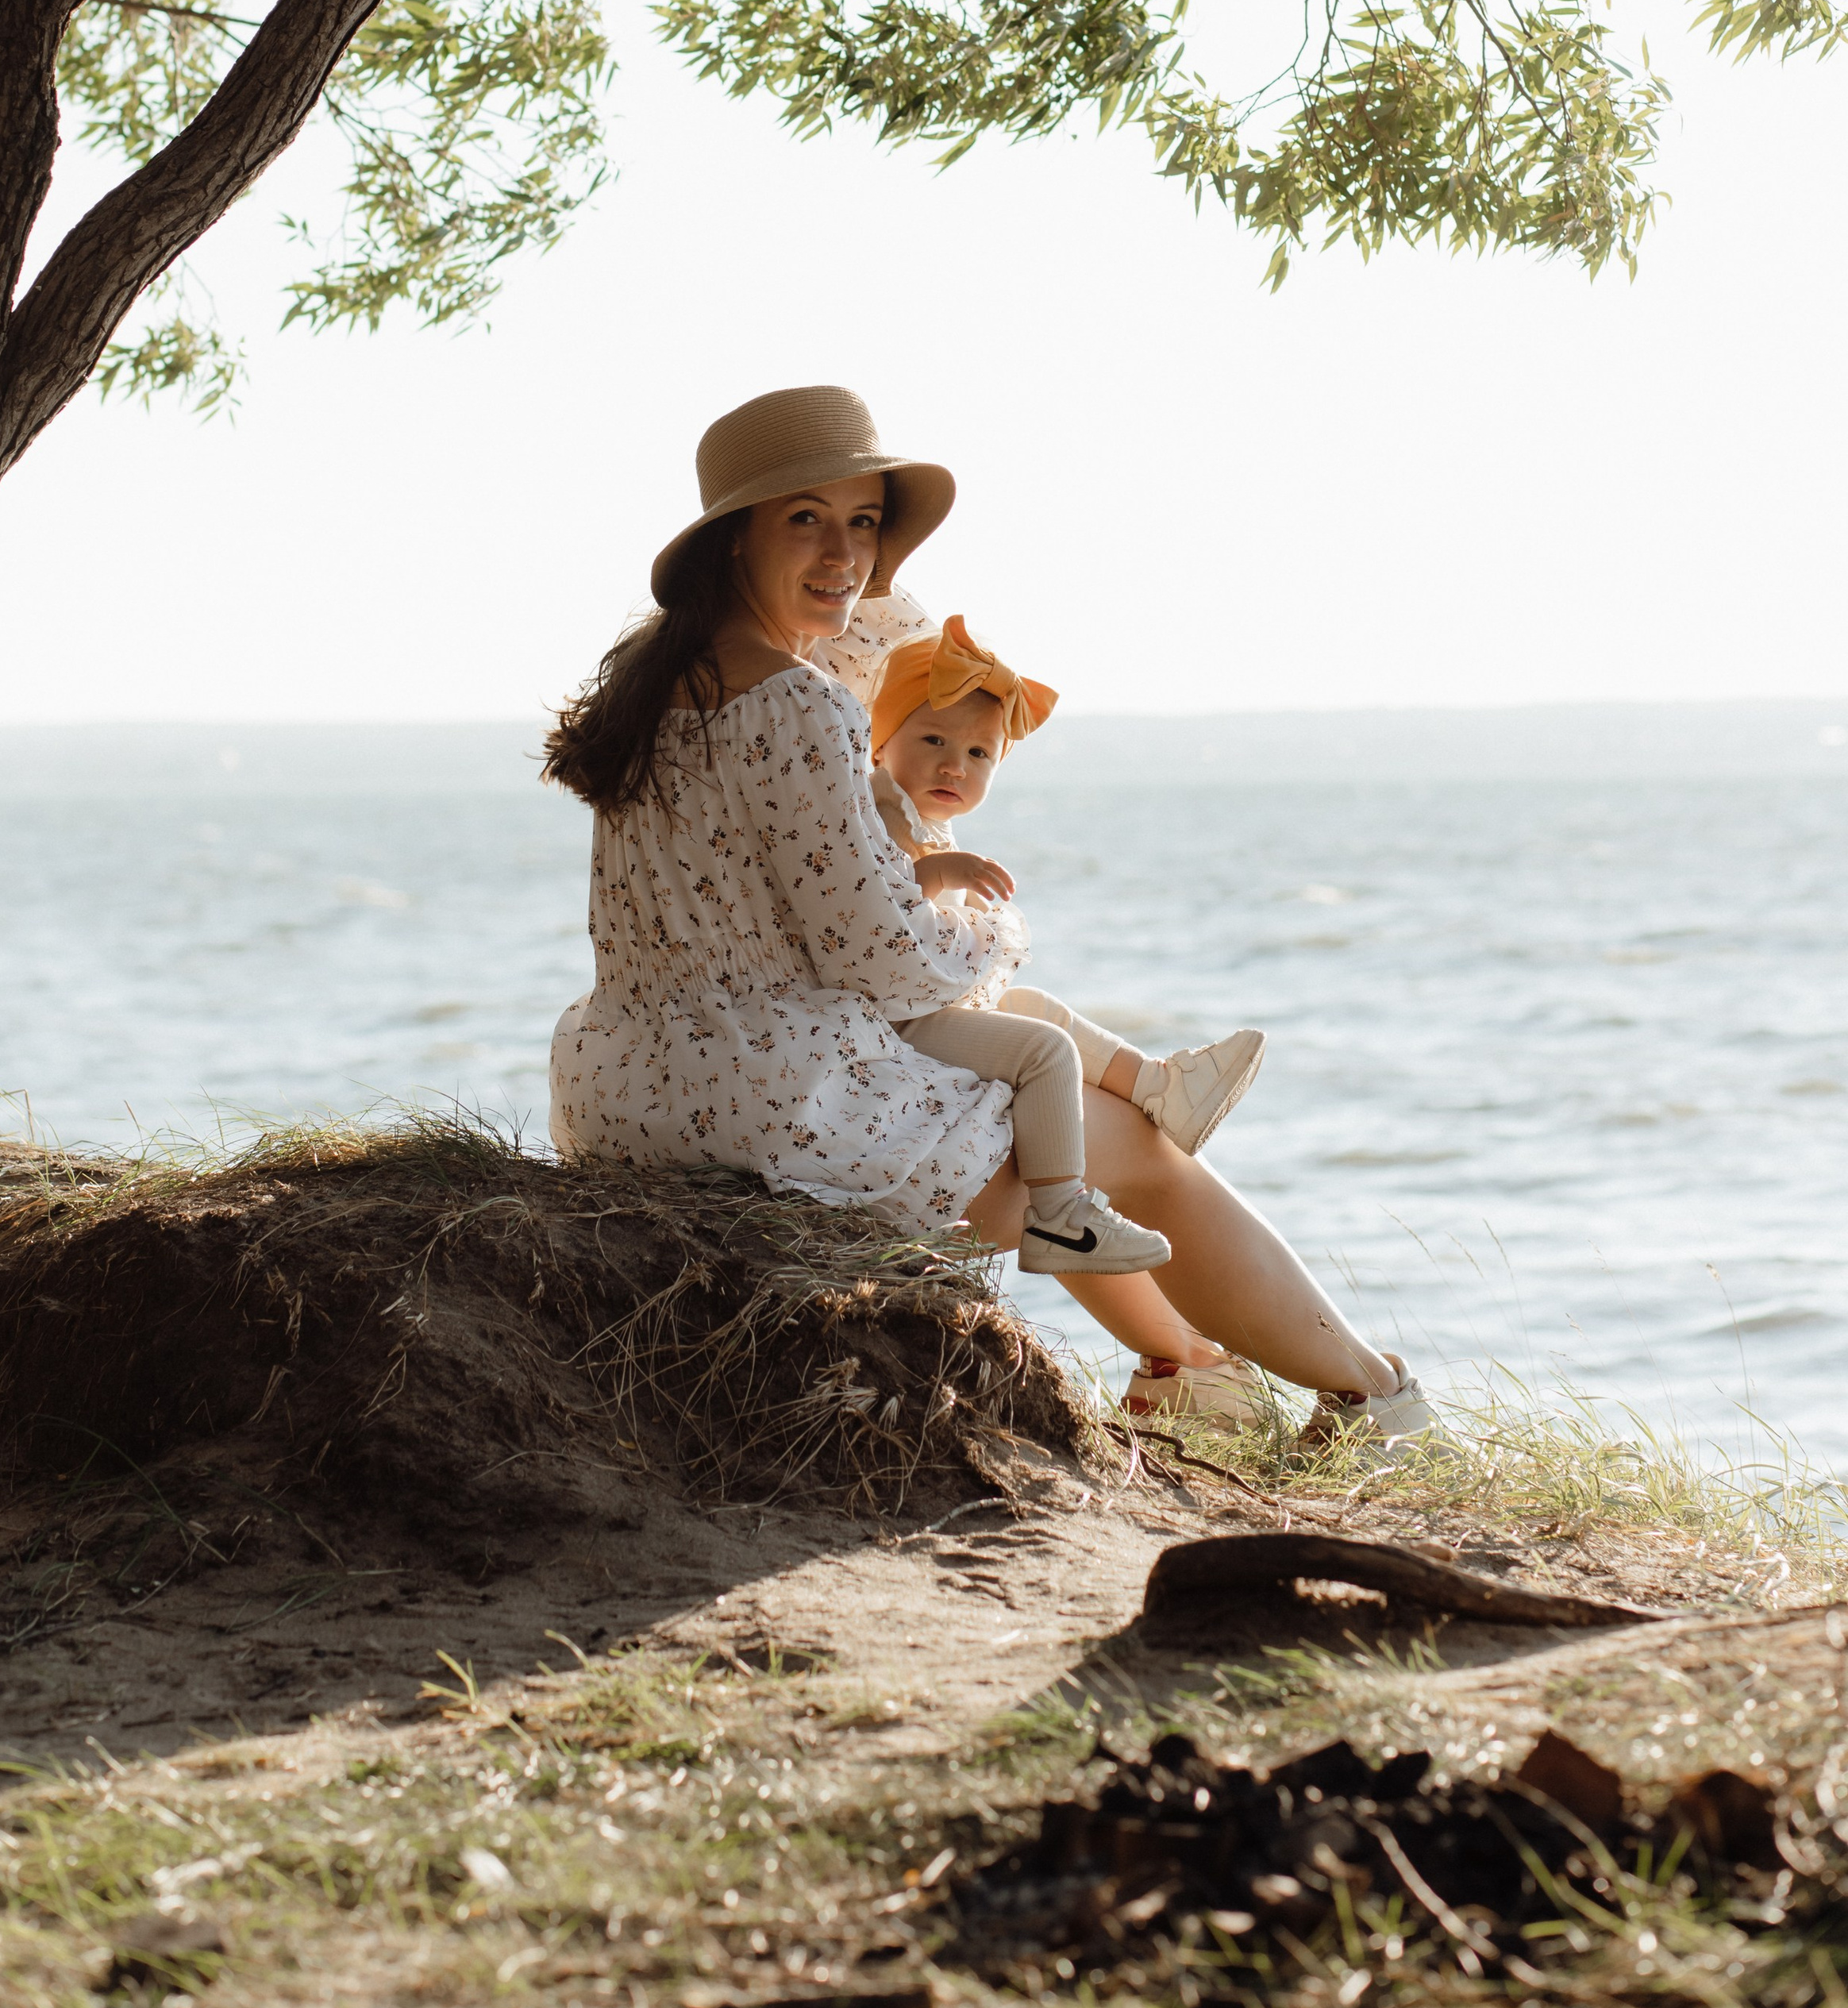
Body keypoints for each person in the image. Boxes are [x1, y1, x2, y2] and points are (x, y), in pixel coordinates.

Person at [545, 384, 1437, 1441]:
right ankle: (1379, 1400)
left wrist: (844, 585)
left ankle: (1188, 1369)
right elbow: (886, 962)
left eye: (865, 523)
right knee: (1144, 1156)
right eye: (805, 520)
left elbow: (872, 665)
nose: (846, 556)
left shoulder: (654, 680)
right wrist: (989, 922)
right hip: (767, 1094)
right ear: (734, 537)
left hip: (626, 1081)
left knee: (1065, 1144)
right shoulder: (797, 703)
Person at [868, 612, 1267, 1281]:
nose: (952, 765)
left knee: (1032, 1005)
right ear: (882, 741)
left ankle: (1159, 1086)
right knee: (1042, 1048)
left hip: (923, 1006)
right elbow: (866, 910)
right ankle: (1058, 1211)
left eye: (978, 754)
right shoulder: (880, 813)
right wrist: (941, 874)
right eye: (933, 738)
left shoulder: (924, 820)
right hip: (890, 1023)